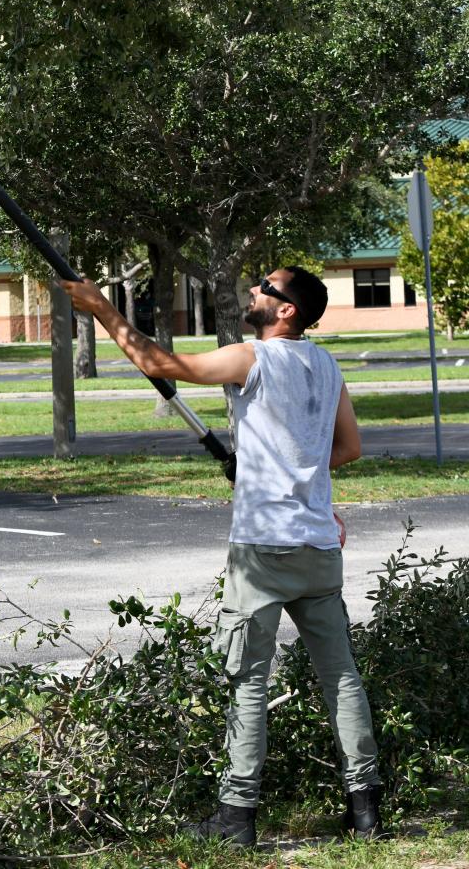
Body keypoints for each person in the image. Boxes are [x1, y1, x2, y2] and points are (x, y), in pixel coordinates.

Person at [61, 266, 382, 845]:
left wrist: (102, 309)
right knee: (341, 680)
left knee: (249, 682)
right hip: (317, 548)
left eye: (267, 288)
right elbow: (349, 447)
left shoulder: (252, 358)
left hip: (262, 550)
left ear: (287, 312)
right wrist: (282, 473)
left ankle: (237, 821)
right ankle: (366, 813)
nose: (255, 292)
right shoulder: (327, 364)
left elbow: (161, 366)